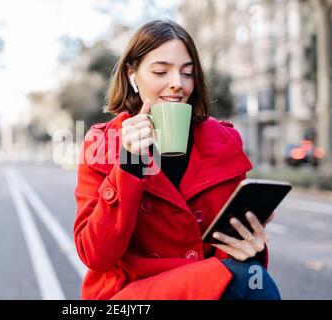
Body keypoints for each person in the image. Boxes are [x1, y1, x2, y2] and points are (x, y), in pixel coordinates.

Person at [74, 19, 281, 300]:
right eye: (161, 71)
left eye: (187, 73)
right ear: (132, 75)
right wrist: (130, 162)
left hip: (201, 285)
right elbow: (96, 254)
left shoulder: (222, 141)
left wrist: (249, 246)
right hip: (129, 293)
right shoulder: (103, 143)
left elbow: (224, 252)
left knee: (254, 277)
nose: (177, 84)